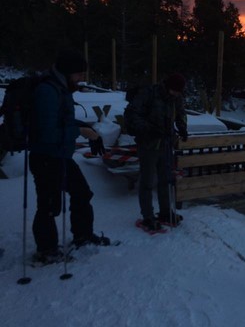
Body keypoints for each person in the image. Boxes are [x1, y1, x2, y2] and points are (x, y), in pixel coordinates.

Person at [29, 49, 110, 263]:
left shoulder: (62, 89)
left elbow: (62, 121)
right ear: (66, 73)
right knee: (49, 205)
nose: (82, 79)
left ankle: (83, 235)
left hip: (61, 156)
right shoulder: (47, 91)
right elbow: (46, 133)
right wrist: (80, 131)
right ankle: (46, 251)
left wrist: (85, 127)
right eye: (79, 74)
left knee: (82, 193)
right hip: (46, 157)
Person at [126, 73, 188, 231]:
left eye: (179, 93)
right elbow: (133, 114)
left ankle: (166, 212)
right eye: (174, 91)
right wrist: (149, 129)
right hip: (148, 144)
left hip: (167, 144)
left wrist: (182, 127)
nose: (176, 95)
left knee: (166, 180)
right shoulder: (149, 94)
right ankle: (148, 216)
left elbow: (181, 112)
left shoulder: (176, 97)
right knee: (147, 181)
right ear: (168, 87)